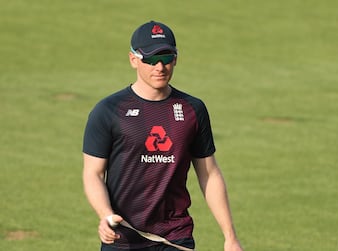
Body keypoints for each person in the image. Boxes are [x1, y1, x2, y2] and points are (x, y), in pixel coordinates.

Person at [82, 20, 243, 251]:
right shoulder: (108, 110)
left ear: (175, 59)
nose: (160, 66)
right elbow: (93, 174)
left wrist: (230, 237)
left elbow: (209, 174)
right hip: (123, 240)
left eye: (166, 58)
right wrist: (105, 214)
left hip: (174, 238)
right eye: (151, 59)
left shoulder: (192, 109)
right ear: (133, 60)